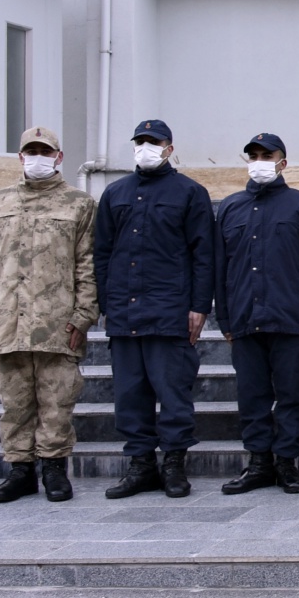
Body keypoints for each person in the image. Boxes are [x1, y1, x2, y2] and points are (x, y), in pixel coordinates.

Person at [0, 127, 98, 504]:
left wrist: (84, 314)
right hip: (7, 321)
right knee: (14, 402)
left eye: (45, 151)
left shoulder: (80, 204)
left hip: (58, 323)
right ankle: (20, 471)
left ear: (58, 157)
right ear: (21, 157)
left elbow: (87, 265)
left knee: (58, 400)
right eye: (31, 151)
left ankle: (54, 468)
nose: (37, 157)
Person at [93, 119, 215, 500]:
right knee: (130, 395)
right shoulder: (115, 193)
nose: (146, 147)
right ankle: (141, 465)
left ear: (169, 147)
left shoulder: (190, 193)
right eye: (140, 141)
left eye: (154, 141)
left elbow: (204, 255)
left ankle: (174, 464)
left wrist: (199, 306)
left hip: (170, 312)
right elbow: (102, 254)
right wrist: (105, 303)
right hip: (125, 315)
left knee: (174, 393)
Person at [213, 132, 299, 495]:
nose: (260, 160)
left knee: (291, 393)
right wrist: (225, 319)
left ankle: (287, 463)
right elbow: (220, 268)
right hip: (245, 317)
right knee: (252, 394)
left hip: (289, 317)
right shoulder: (230, 207)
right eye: (254, 155)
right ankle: (259, 462)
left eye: (267, 154)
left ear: (282, 162)